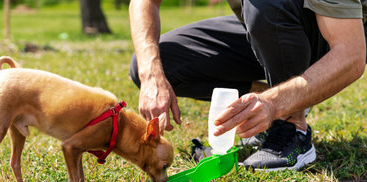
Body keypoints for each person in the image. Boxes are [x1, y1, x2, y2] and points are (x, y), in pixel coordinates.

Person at [128, 0, 366, 170]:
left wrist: (273, 104)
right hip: (267, 21)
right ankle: (275, 101)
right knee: (160, 62)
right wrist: (151, 75)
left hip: (342, 29)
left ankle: (292, 127)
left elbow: (352, 54)